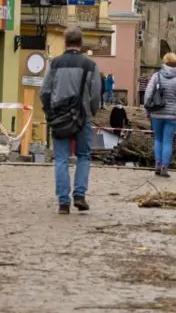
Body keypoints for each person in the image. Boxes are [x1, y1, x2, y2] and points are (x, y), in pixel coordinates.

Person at [39, 26, 102, 214]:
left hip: (59, 117)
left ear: (65, 43)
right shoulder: (90, 66)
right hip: (82, 116)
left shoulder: (55, 64)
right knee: (83, 156)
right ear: (81, 43)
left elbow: (45, 91)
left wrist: (50, 111)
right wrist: (91, 111)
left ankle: (63, 202)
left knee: (61, 159)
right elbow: (96, 94)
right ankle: (80, 194)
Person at [144, 52, 176, 178]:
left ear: (164, 62)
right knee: (168, 141)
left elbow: (148, 95)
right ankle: (164, 167)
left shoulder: (156, 76)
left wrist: (148, 111)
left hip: (157, 113)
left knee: (158, 139)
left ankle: (157, 164)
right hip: (173, 115)